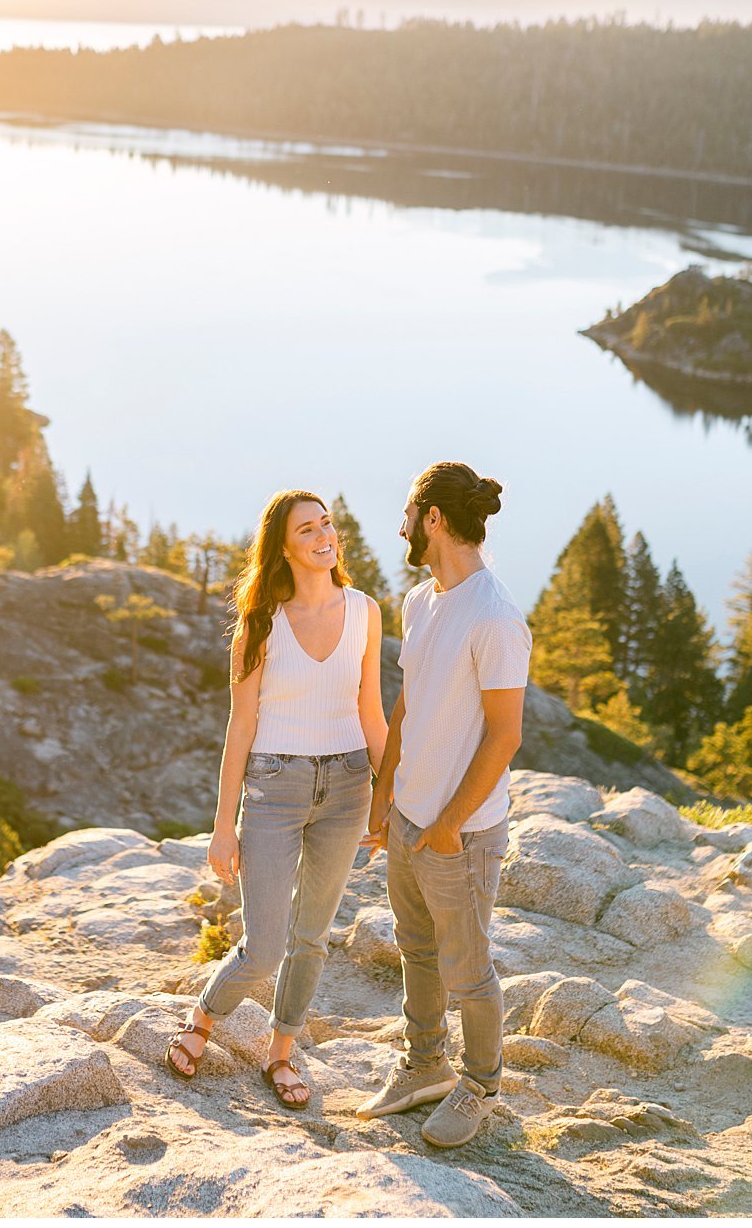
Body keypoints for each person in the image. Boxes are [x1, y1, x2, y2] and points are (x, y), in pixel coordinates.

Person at [164, 489, 387, 1110]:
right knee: (262, 947)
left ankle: (281, 1054)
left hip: (346, 786)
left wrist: (386, 793)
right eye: (308, 530)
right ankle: (204, 1019)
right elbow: (239, 727)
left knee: (311, 936)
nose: (325, 537)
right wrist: (223, 826)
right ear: (284, 549)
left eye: (328, 524)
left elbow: (369, 709)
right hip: (273, 789)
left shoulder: (366, 610)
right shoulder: (260, 622)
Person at [355, 462, 530, 1149]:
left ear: (432, 517)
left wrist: (451, 825)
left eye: (407, 512)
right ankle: (425, 1062)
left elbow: (506, 734)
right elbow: (409, 701)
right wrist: (383, 790)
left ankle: (480, 1083)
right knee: (416, 948)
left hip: (462, 832)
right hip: (407, 815)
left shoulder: (495, 616)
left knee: (469, 966)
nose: (399, 525)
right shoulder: (421, 601)